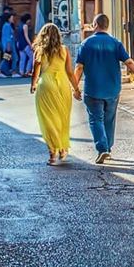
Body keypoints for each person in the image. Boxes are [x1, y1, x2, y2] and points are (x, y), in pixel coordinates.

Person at [74, 14, 134, 164]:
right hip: (112, 89)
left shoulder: (86, 44)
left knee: (95, 119)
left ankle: (102, 149)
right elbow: (129, 62)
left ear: (95, 25)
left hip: (92, 89)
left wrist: (75, 87)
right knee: (109, 119)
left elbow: (79, 67)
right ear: (107, 26)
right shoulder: (115, 43)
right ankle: (108, 148)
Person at [30, 23, 81, 165]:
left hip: (46, 85)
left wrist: (33, 85)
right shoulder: (64, 50)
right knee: (62, 119)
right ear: (58, 36)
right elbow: (70, 73)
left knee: (48, 120)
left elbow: (36, 71)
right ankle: (63, 148)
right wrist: (76, 89)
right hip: (63, 85)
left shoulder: (40, 51)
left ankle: (52, 155)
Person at [0, 13, 21, 78]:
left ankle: (10, 71)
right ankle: (4, 71)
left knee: (9, 58)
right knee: (10, 58)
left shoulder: (8, 25)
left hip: (10, 45)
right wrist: (8, 46)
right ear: (8, 19)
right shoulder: (7, 26)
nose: (13, 19)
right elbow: (7, 37)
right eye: (11, 18)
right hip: (10, 45)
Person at [17, 13, 34, 77]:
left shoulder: (19, 25)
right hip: (25, 44)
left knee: (22, 58)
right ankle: (27, 71)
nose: (30, 21)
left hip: (20, 44)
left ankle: (21, 71)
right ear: (27, 19)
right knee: (31, 57)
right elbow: (26, 36)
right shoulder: (25, 26)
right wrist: (30, 44)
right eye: (29, 19)